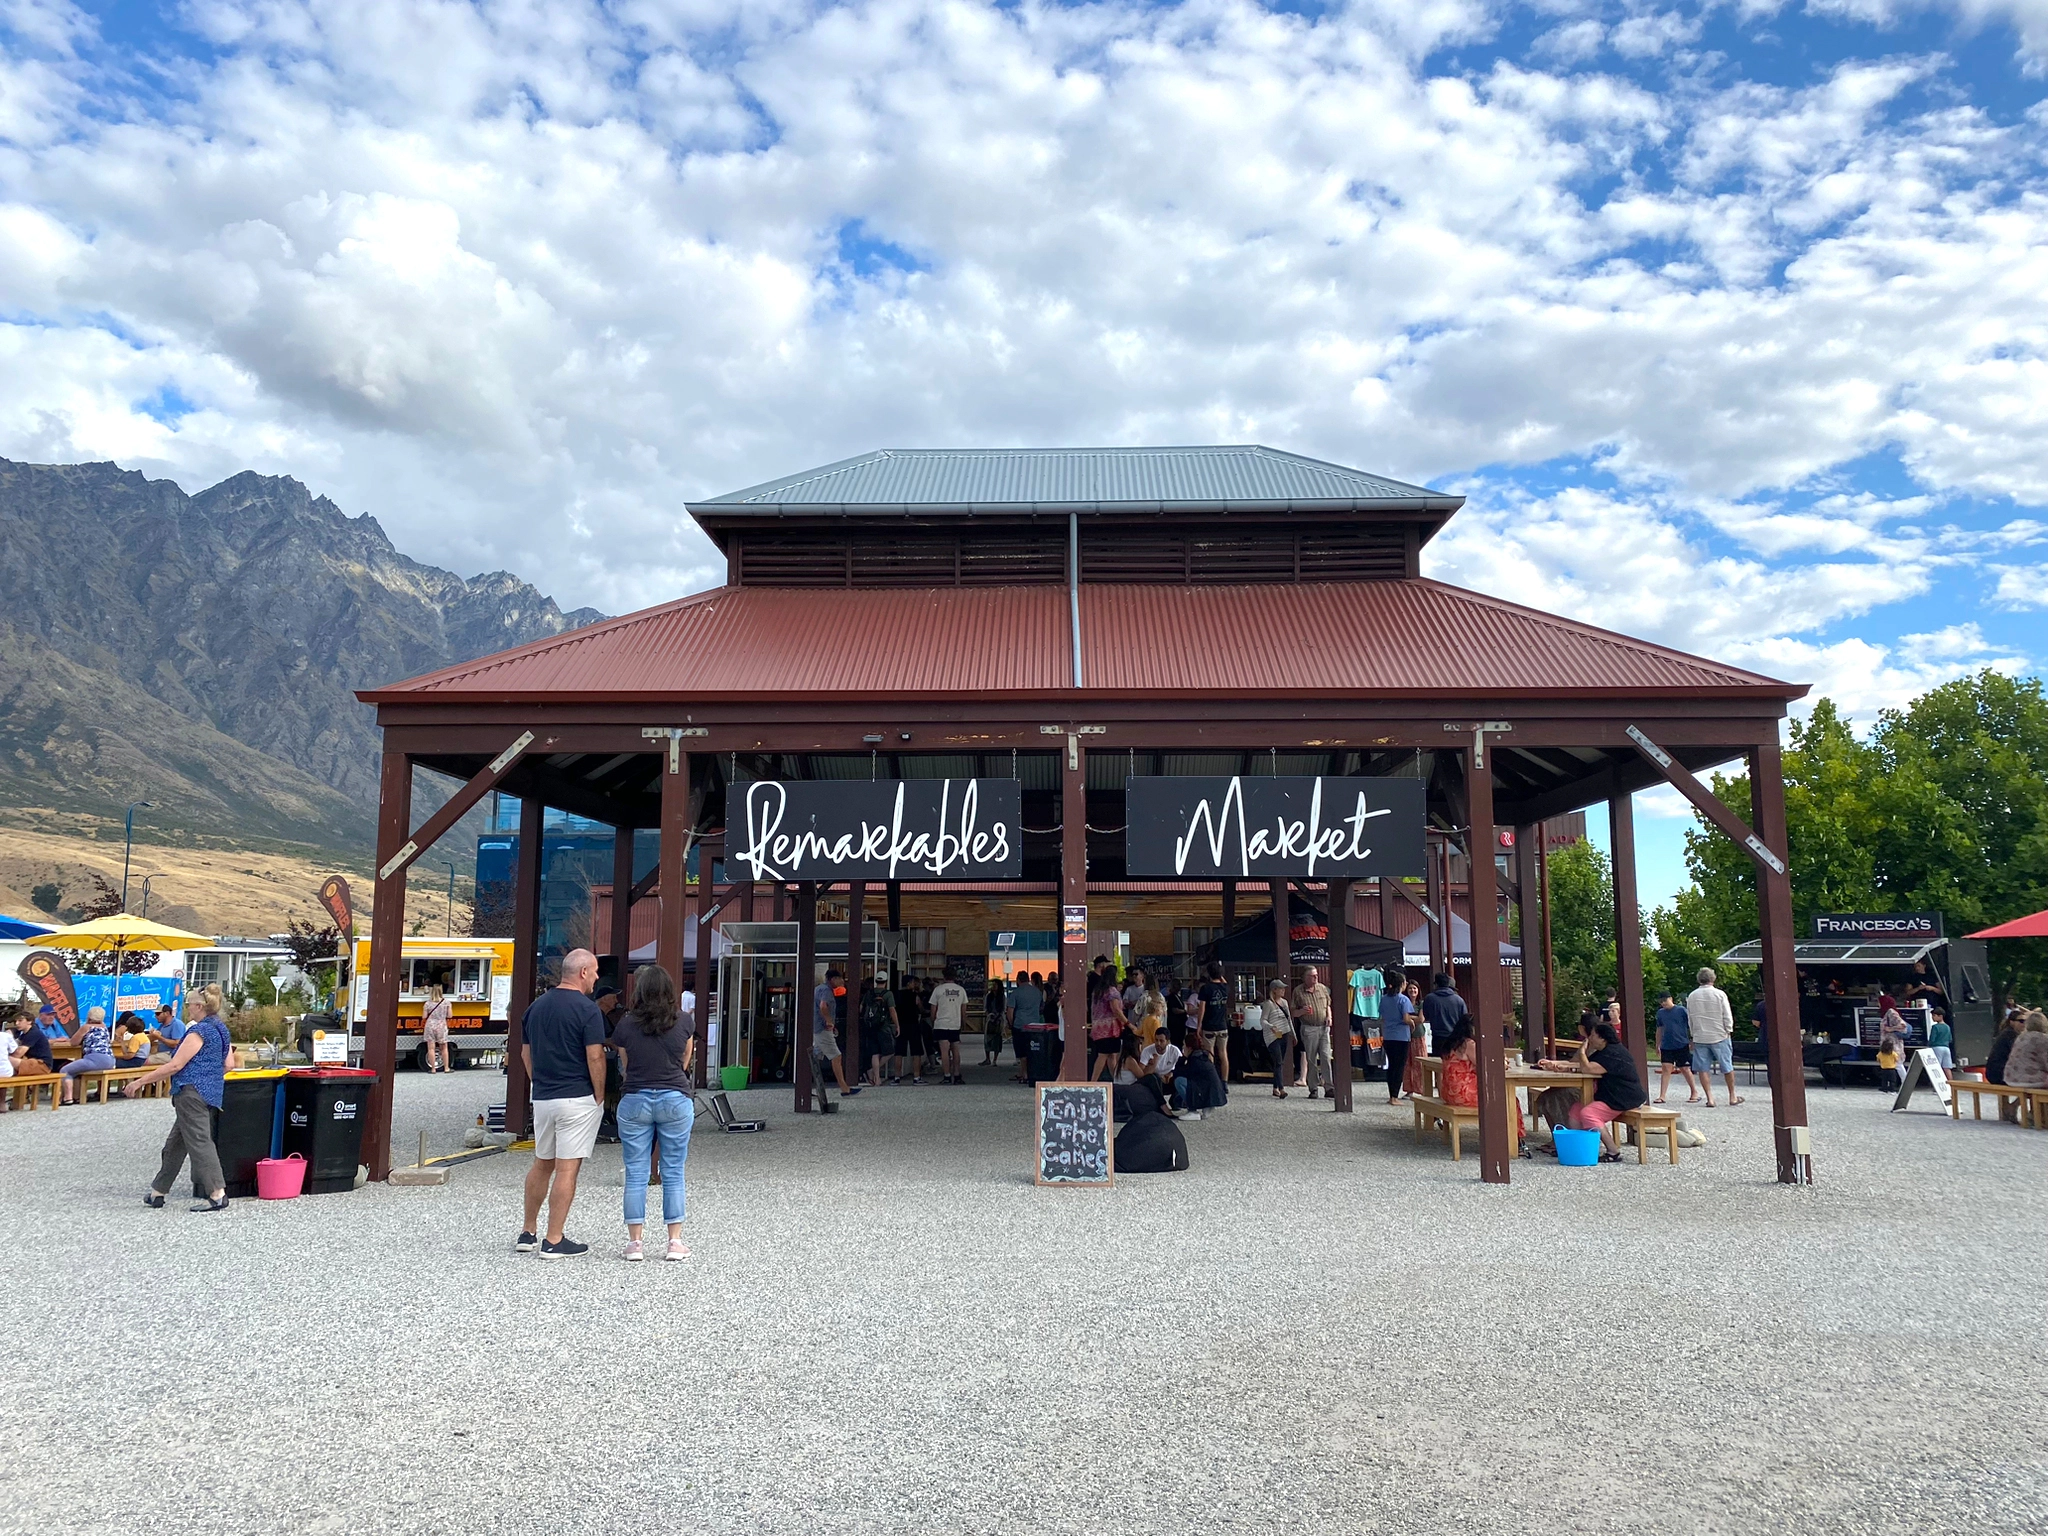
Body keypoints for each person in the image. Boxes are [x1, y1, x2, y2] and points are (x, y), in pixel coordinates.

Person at [517, 948, 607, 1259]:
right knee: (567, 1169)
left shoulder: (534, 1008)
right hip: (577, 1097)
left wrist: (539, 1084)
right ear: (583, 972)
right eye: (594, 972)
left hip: (543, 1097)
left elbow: (525, 1055)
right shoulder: (588, 1010)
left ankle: (528, 1231)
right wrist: (599, 1094)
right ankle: (554, 1239)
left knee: (542, 1163)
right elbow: (595, 1055)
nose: (596, 978)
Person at [606, 963, 695, 1262]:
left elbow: (625, 1065)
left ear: (640, 991)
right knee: (672, 1171)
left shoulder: (626, 1025)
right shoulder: (684, 1022)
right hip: (674, 1098)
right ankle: (674, 1242)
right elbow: (685, 1061)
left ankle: (635, 1244)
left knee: (636, 1173)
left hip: (635, 1100)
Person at [129, 986, 237, 1212]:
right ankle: (158, 1192)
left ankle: (218, 1194)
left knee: (199, 1142)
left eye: (189, 1004)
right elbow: (229, 1065)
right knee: (175, 1145)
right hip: (209, 1093)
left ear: (199, 1006)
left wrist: (140, 1082)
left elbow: (176, 1064)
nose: (187, 1008)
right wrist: (210, 1079)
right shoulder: (221, 1030)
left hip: (190, 1092)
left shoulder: (199, 1032)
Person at [1539, 1018, 1646, 1162]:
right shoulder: (1604, 1051)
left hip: (1624, 1097)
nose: (1590, 1038)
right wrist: (1554, 1063)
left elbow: (1588, 1067)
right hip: (1609, 1095)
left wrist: (1582, 1052)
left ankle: (1613, 1151)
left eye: (1593, 1035)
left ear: (1602, 1038)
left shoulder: (1613, 1053)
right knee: (1576, 1111)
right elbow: (1581, 1065)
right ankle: (1578, 1147)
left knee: (1588, 1113)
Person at [1440, 1020, 1523, 1141]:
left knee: (1501, 1097)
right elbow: (1485, 1066)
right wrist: (1502, 1062)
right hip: (1464, 1092)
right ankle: (1514, 1139)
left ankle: (1501, 1134)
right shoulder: (1469, 1044)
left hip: (1449, 1092)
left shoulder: (1452, 1044)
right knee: (1509, 1100)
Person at [1683, 967, 1742, 1107]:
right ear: (1713, 978)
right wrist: (1728, 1030)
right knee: (1727, 1066)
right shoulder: (1720, 994)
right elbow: (1727, 1014)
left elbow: (1690, 1017)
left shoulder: (1692, 996)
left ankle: (1710, 1098)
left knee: (1703, 1068)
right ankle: (1732, 1095)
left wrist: (1693, 1034)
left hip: (1700, 1036)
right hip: (1719, 1034)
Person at [809, 965, 860, 1101]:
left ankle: (807, 1086)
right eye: (840, 979)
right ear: (834, 979)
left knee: (815, 1057)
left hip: (817, 1027)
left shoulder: (818, 989)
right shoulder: (826, 991)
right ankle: (844, 1088)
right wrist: (829, 1022)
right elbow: (823, 1006)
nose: (842, 982)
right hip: (823, 1029)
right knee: (836, 1056)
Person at [1291, 965, 1334, 1100]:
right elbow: (1293, 1012)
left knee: (1326, 1057)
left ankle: (1329, 1087)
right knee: (1311, 1058)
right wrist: (1302, 1011)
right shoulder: (1298, 991)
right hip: (1309, 1027)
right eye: (1312, 976)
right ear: (1305, 977)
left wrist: (1329, 1017)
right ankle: (1313, 1088)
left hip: (1323, 1027)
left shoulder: (1322, 988)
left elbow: (1328, 1005)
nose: (1316, 977)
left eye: (1316, 975)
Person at [59, 1006, 118, 1104]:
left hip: (94, 1059)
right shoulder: (104, 1027)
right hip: (110, 1060)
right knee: (76, 1070)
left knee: (65, 1070)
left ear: (89, 1017)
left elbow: (73, 1042)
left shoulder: (86, 1027)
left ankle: (68, 1098)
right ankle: (77, 1096)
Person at [1653, 990, 1698, 1105]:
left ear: (1671, 999)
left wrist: (1692, 1039)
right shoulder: (1661, 1013)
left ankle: (1694, 1092)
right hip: (1667, 1044)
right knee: (1666, 1068)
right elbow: (1659, 1028)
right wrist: (1658, 1043)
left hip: (1681, 1043)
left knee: (1684, 1068)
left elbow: (1691, 1025)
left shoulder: (1681, 1010)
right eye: (1661, 1002)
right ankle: (1662, 1095)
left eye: (1665, 1000)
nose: (1663, 1003)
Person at [1009, 970, 1054, 1084]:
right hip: (1034, 1026)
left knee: (1021, 1052)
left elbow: (1010, 1010)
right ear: (1028, 979)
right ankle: (1032, 1072)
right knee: (1033, 1050)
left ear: (1018, 980)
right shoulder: (1037, 992)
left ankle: (1024, 1074)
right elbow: (1041, 1008)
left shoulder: (1015, 993)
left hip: (1019, 1025)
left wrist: (1011, 1023)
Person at [858, 969, 900, 1087]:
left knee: (875, 1053)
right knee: (890, 1051)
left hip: (870, 1027)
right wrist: (897, 1025)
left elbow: (861, 1008)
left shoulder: (869, 993)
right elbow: (892, 1010)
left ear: (876, 981)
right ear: (886, 981)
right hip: (883, 1026)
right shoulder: (888, 994)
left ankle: (876, 1079)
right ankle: (872, 1072)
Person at [1378, 967, 1414, 1104]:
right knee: (1399, 1067)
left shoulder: (1384, 999)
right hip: (1401, 1036)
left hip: (1388, 1035)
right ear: (1401, 984)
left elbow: (1382, 1017)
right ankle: (1395, 1096)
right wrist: (1412, 1022)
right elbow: (1406, 1018)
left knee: (1391, 1066)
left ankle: (1391, 1094)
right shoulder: (1403, 1000)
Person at [1193, 962, 1233, 1082]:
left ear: (1209, 974)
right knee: (1223, 1054)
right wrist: (1220, 975)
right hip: (1222, 1025)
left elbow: (1202, 1009)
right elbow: (1224, 981)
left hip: (1209, 1026)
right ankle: (1224, 1082)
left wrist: (1199, 1025)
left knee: (1210, 1054)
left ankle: (1212, 1080)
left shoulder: (1205, 988)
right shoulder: (1226, 987)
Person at [928, 969, 969, 1084]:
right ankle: (956, 1075)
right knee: (955, 1050)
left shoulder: (938, 990)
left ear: (944, 977)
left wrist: (933, 1021)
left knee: (944, 1051)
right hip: (955, 1024)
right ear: (955, 977)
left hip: (941, 1023)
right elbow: (963, 1010)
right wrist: (963, 1022)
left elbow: (933, 1009)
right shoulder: (961, 990)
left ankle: (946, 1076)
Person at [1088, 971, 1127, 1082]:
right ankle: (1093, 1081)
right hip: (1111, 1029)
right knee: (1104, 1055)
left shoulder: (1097, 991)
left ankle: (1116, 1079)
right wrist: (1127, 1023)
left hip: (1098, 1028)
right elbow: (1116, 1010)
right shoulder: (1112, 992)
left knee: (1111, 1055)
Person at [1258, 979, 1292, 1097]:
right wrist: (1270, 1026)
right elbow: (1263, 1020)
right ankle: (1281, 1088)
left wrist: (1293, 1033)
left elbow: (1289, 1018)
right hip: (1272, 1035)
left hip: (1284, 1032)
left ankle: (1275, 1087)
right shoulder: (1268, 1004)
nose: (1283, 990)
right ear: (1274, 990)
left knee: (1280, 1061)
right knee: (1278, 1060)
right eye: (1280, 988)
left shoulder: (1285, 1003)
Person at [1420, 973, 1468, 1057]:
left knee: (1437, 1064)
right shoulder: (1459, 1000)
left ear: (1436, 984)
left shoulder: (1429, 999)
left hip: (1437, 1037)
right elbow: (1465, 1020)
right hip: (1455, 1038)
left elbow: (1426, 1016)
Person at [2003, 1011, 2048, 1091]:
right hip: (2030, 1080)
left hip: (2010, 1078)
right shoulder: (2043, 1039)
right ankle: (2041, 1103)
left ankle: (2013, 1104)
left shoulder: (2020, 1037)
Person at [421, 983, 454, 1074]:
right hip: (441, 1025)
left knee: (431, 1048)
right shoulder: (447, 1002)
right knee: (444, 1047)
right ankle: (446, 1068)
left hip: (430, 1025)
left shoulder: (427, 1003)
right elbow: (450, 1016)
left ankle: (433, 1069)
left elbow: (424, 1016)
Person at [981, 976, 1006, 1066]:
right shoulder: (988, 996)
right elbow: (986, 1007)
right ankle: (987, 1058)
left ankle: (995, 1059)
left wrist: (998, 1017)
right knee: (987, 1039)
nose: (994, 987)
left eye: (995, 985)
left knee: (997, 1039)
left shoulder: (1002, 997)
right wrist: (989, 1015)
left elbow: (1003, 1008)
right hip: (990, 1019)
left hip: (999, 1019)